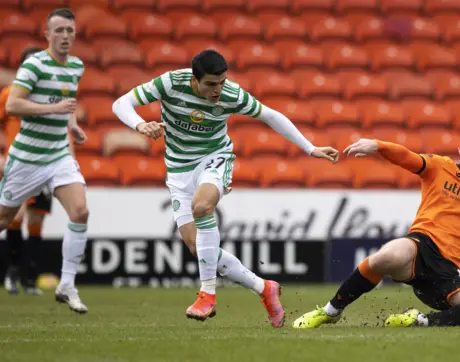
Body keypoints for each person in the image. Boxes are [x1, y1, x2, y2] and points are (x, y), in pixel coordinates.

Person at [111, 49, 339, 325]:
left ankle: (207, 295)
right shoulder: (170, 83)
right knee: (198, 248)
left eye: (221, 82)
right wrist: (139, 124)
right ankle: (264, 288)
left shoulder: (232, 94)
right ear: (194, 80)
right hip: (178, 171)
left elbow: (271, 116)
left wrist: (310, 148)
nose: (218, 90)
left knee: (202, 206)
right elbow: (121, 104)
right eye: (211, 84)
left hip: (214, 158)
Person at [292, 124, 460, 329]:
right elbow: (407, 157)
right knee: (385, 257)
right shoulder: (440, 167)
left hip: (447, 276)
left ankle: (420, 321)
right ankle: (330, 311)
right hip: (419, 249)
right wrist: (378, 145)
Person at [3, 8, 90, 314]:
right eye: (60, 31)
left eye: (70, 31)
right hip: (27, 156)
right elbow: (13, 104)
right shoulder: (34, 64)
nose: (65, 36)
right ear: (47, 34)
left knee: (80, 211)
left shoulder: (76, 66)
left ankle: (67, 285)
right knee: (4, 218)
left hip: (58, 154)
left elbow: (68, 101)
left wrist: (73, 125)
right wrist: (52, 110)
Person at [1, 47, 51, 296]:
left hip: (46, 163)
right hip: (18, 163)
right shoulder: (9, 95)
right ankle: (12, 272)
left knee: (36, 219)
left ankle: (30, 277)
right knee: (14, 216)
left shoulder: (49, 96)